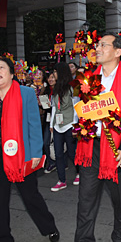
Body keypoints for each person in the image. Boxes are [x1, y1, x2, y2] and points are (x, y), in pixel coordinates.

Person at [62, 32, 121, 242]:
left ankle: (120, 240)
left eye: (103, 45)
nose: (97, 48)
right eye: (97, 45)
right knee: (86, 200)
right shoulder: (87, 79)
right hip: (91, 147)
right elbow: (80, 111)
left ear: (118, 51)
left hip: (118, 150)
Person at [0, 57, 59, 242]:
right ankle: (3, 239)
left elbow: (34, 124)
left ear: (11, 74)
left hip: (22, 155)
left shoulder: (25, 93)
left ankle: (49, 227)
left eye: (1, 68)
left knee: (30, 196)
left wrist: (37, 152)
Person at [50, 62, 79, 191]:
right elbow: (54, 108)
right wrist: (51, 124)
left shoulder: (73, 87)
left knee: (72, 153)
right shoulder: (55, 89)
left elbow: (76, 107)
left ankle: (79, 173)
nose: (53, 75)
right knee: (58, 154)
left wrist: (75, 125)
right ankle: (61, 180)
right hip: (57, 125)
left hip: (69, 124)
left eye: (55, 72)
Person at [43, 71, 57, 173]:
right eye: (49, 78)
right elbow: (45, 107)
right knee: (46, 142)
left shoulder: (59, 90)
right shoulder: (46, 90)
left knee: (58, 143)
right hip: (48, 119)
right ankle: (51, 162)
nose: (51, 79)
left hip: (57, 119)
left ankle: (60, 162)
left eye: (53, 77)